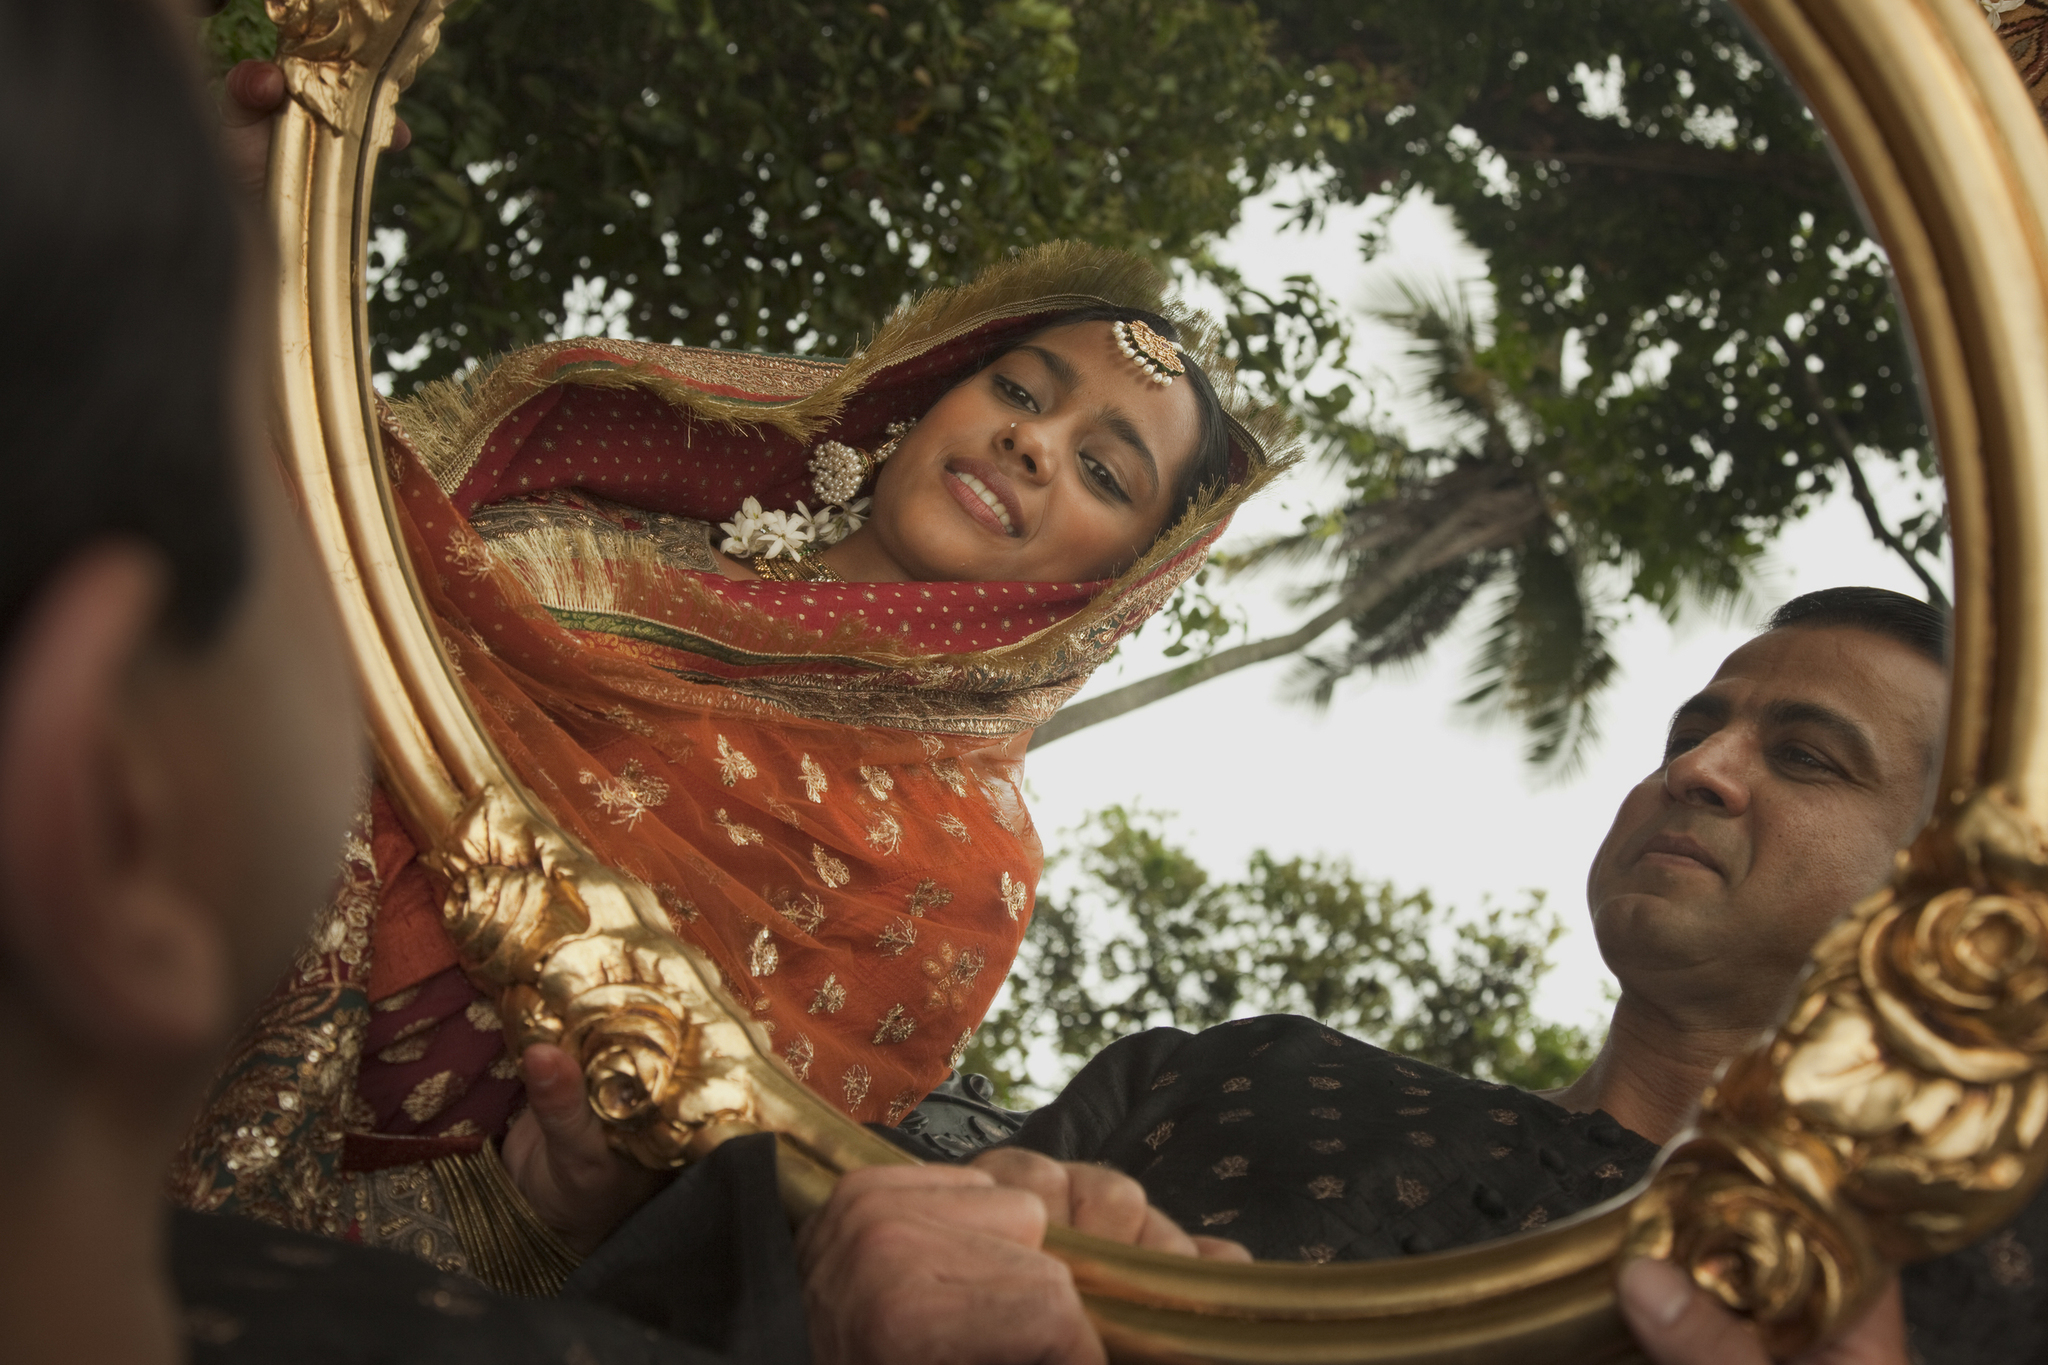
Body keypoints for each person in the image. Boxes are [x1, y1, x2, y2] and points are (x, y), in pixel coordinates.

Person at [3, 4, 1253, 1363]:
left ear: (1109, 594)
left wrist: (544, 1208)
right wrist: (225, 262)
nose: (1032, 442)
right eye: (1025, 387)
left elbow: (695, 1190)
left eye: (1104, 468)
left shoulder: (957, 877)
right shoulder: (592, 461)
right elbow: (287, 515)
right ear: (924, 393)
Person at [962, 587, 1968, 1361]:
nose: (1695, 770)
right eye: (1689, 735)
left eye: (1804, 758)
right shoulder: (1229, 1074)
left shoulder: (1895, 1310)